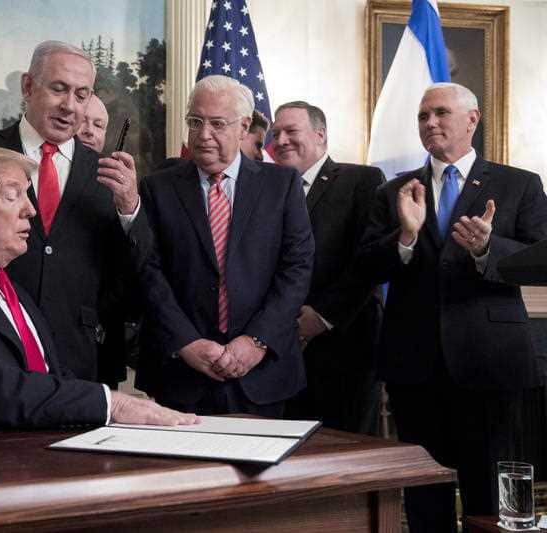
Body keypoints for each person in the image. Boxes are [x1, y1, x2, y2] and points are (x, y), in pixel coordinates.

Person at [0, 145, 196, 430]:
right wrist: (110, 403)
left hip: (29, 455)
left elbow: (50, 378)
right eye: (13, 195)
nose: (30, 209)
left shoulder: (7, 287)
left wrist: (115, 416)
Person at [360, 82, 547, 532]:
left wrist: (489, 249)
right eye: (423, 116)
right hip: (415, 365)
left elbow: (542, 260)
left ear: (472, 120)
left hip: (492, 363)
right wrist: (405, 237)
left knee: (495, 498)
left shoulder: (518, 184)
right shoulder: (394, 192)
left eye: (441, 113)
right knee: (425, 497)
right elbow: (365, 264)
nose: (430, 123)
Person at [0, 41, 151, 384]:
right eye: (59, 89)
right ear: (28, 86)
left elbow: (134, 275)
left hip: (78, 356)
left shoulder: (107, 175)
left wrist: (130, 209)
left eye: (81, 94)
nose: (69, 106)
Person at [135, 75, 314, 417]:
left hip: (262, 373)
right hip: (181, 373)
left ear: (244, 126)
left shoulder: (282, 185)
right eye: (195, 122)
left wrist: (257, 341)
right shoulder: (157, 188)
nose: (204, 134)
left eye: (217, 124)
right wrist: (186, 342)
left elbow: (297, 268)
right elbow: (149, 271)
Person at [271, 101, 384, 434]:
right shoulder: (267, 188)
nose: (280, 140)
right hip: (279, 349)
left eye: (291, 131)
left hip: (344, 347)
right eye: (276, 133)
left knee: (342, 457)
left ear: (320, 135)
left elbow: (367, 262)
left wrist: (320, 317)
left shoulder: (360, 181)